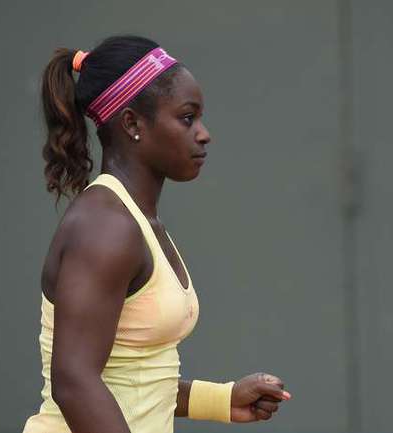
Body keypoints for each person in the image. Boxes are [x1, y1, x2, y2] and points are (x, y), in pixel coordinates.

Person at [22, 35, 292, 433]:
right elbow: (75, 382)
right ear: (133, 123)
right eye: (187, 118)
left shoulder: (137, 222)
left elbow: (137, 379)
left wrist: (220, 399)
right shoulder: (106, 227)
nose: (204, 134)